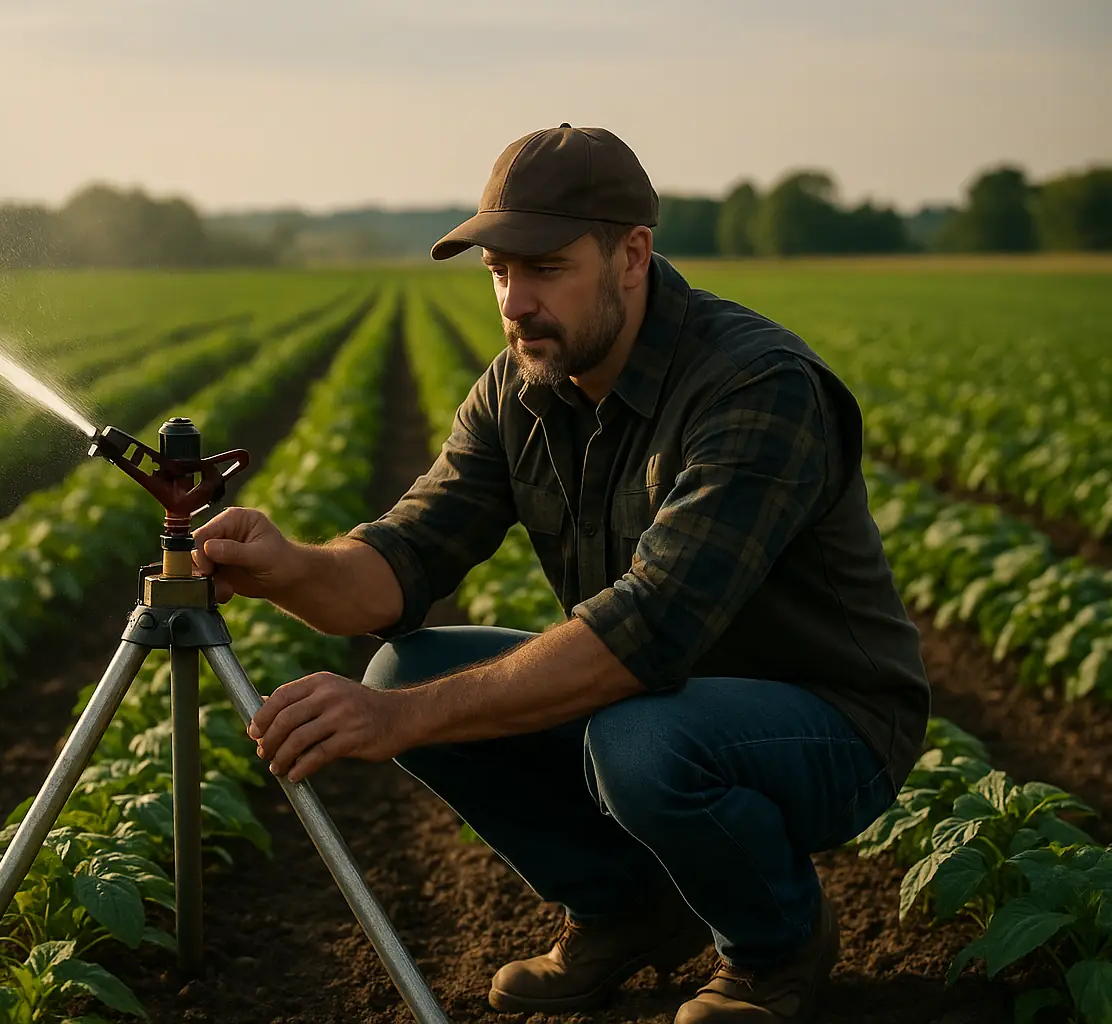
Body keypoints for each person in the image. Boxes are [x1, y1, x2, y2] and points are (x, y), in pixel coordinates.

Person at [190, 124, 930, 1024]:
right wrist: (286, 568)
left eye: (545, 269)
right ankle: (627, 910)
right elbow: (403, 559)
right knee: (403, 667)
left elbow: (647, 633)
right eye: (499, 272)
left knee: (635, 741)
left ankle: (777, 948)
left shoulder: (755, 387)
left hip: (829, 725)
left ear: (632, 256)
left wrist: (402, 721)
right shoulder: (522, 389)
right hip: (660, 699)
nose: (517, 302)